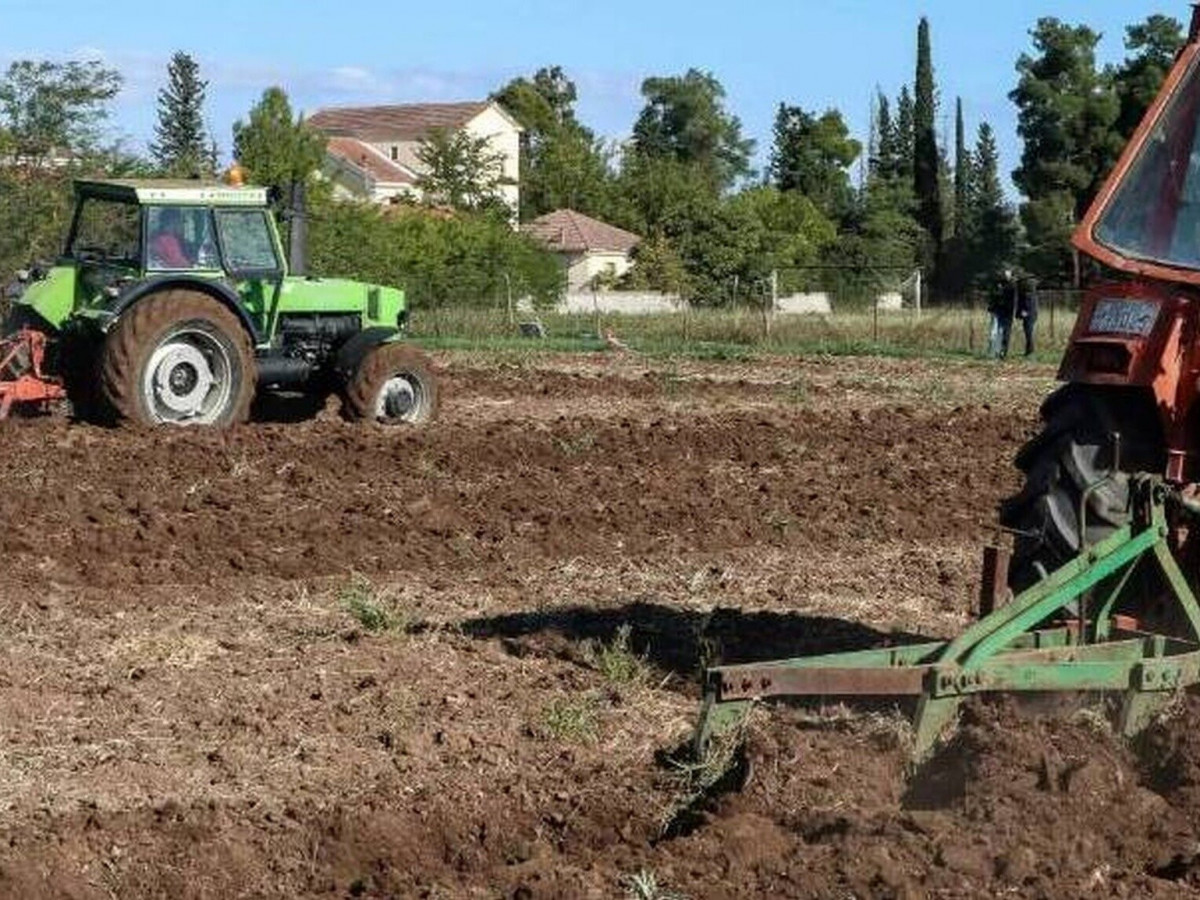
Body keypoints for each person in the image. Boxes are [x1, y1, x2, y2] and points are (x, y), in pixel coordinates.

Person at [987, 267, 1018, 359]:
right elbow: (992, 296)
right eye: (1005, 275)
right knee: (994, 332)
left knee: (1003, 333)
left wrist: (1014, 312)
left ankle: (1000, 352)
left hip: (1007, 312)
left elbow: (1014, 300)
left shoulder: (1013, 286)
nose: (1006, 276)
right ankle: (992, 352)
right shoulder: (997, 284)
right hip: (997, 311)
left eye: (1008, 275)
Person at [1016, 276, 1039, 357]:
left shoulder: (1027, 294)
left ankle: (1030, 350)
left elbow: (1026, 305)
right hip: (1032, 315)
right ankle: (1029, 350)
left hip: (1029, 315)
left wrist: (1024, 312)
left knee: (1028, 333)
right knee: (1028, 333)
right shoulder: (1032, 294)